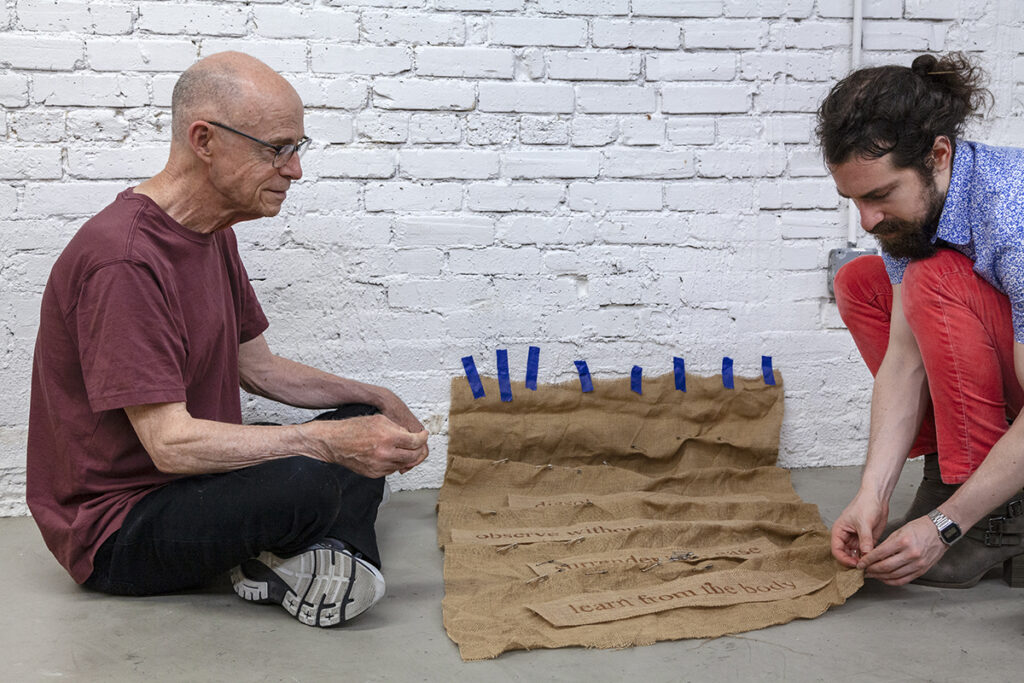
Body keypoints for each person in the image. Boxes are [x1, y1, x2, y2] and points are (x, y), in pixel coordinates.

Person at [26, 51, 430, 627]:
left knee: (358, 420)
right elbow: (169, 444)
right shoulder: (124, 260)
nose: (294, 170)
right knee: (310, 474)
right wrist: (328, 445)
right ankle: (330, 557)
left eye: (298, 148)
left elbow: (259, 368)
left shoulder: (212, 231)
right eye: (278, 148)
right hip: (119, 529)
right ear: (205, 140)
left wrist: (376, 399)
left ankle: (318, 561)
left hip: (194, 484)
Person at [818, 52, 1024, 588]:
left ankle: (994, 519)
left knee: (934, 280)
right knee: (860, 283)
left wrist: (945, 527)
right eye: (854, 200)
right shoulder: (914, 218)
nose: (867, 220)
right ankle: (950, 481)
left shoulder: (1013, 214)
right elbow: (904, 359)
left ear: (938, 155)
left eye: (880, 195)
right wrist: (871, 495)